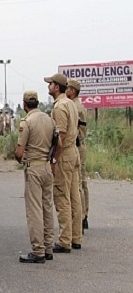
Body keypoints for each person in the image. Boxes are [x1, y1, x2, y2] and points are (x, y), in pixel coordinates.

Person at [15, 90, 55, 263]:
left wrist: (20, 158)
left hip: (34, 169)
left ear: (24, 105)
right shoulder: (49, 119)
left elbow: (19, 152)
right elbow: (58, 143)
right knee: (47, 208)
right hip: (47, 167)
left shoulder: (27, 122)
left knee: (35, 211)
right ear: (37, 102)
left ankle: (38, 251)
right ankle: (48, 248)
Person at [44, 72, 83, 253]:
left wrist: (54, 159)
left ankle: (65, 240)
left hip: (65, 154)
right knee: (75, 196)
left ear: (57, 87)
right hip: (74, 153)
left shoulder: (60, 107)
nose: (48, 86)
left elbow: (61, 136)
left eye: (50, 84)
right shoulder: (71, 104)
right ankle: (76, 237)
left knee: (62, 196)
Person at [66, 78, 89, 232]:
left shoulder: (75, 107)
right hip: (81, 145)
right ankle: (85, 214)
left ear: (72, 91)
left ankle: (80, 217)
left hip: (77, 145)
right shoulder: (79, 105)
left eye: (67, 88)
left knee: (78, 183)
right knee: (82, 181)